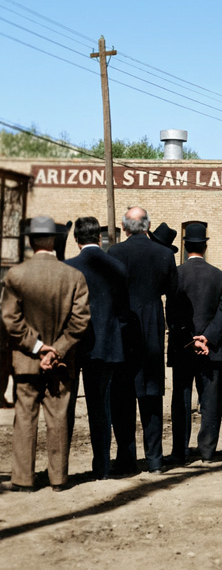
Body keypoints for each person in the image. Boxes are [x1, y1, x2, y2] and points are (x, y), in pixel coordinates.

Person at [1, 215, 90, 491]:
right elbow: (80, 321)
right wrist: (57, 350)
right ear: (55, 240)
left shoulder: (15, 275)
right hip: (62, 363)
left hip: (27, 361)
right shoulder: (74, 276)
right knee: (59, 417)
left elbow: (10, 321)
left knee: (25, 417)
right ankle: (58, 479)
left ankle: (23, 479)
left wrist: (38, 348)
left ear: (29, 241)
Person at [108, 206, 178, 475]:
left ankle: (125, 459)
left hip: (123, 330)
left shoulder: (114, 253)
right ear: (147, 226)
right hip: (151, 329)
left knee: (122, 396)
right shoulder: (163, 254)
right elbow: (172, 293)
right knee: (151, 397)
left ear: (125, 227)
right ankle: (155, 460)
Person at [65, 216, 130, 480]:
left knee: (66, 408)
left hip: (71, 346)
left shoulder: (68, 267)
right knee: (100, 409)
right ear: (99, 238)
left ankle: (62, 469)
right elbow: (124, 313)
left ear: (76, 239)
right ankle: (102, 468)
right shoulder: (117, 267)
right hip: (106, 345)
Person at [166, 222, 222, 464]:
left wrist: (189, 340)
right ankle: (207, 451)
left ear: (185, 247)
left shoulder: (176, 274)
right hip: (212, 350)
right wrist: (207, 338)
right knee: (210, 401)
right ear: (205, 247)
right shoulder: (220, 277)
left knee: (181, 401)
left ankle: (180, 452)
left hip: (183, 349)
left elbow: (172, 314)